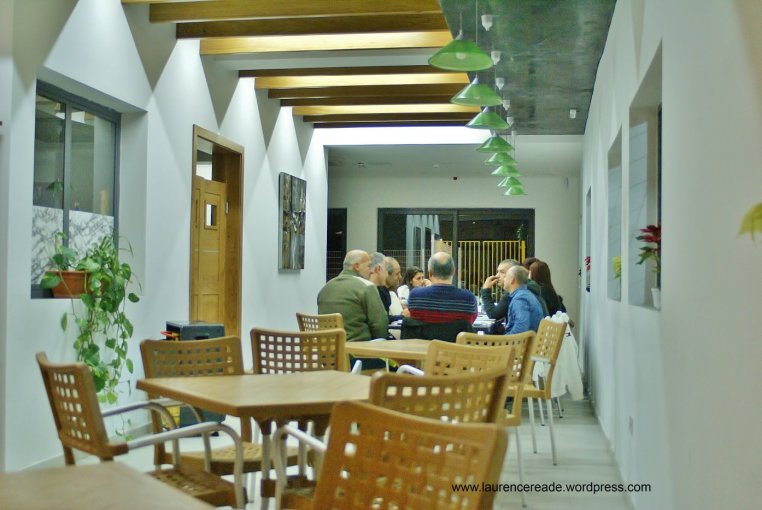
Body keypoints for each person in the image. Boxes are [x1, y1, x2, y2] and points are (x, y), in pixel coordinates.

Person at [317, 249, 388, 342]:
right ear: (357, 266)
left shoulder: (325, 288)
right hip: (356, 347)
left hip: (325, 347)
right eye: (369, 266)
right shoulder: (367, 287)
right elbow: (380, 326)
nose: (371, 271)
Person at [406, 252, 478, 325]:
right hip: (455, 333)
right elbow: (470, 323)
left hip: (424, 333)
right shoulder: (469, 299)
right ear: (453, 272)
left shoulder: (415, 296)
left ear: (430, 273)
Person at [480, 258, 548, 322]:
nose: (497, 276)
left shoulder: (518, 292)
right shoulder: (528, 287)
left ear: (513, 274)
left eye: (502, 272)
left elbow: (494, 315)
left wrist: (485, 290)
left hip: (528, 331)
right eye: (498, 272)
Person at [503, 265, 544, 334]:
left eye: (506, 276)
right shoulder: (525, 294)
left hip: (522, 340)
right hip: (529, 339)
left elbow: (521, 328)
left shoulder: (520, 299)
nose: (504, 279)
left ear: (512, 280)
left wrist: (504, 339)